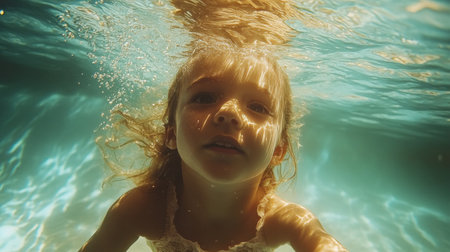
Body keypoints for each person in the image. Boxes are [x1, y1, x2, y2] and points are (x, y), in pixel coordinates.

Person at [78, 43, 348, 251]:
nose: (229, 113)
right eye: (204, 97)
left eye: (257, 107)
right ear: (170, 135)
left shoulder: (285, 220)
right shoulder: (143, 208)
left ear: (279, 150)